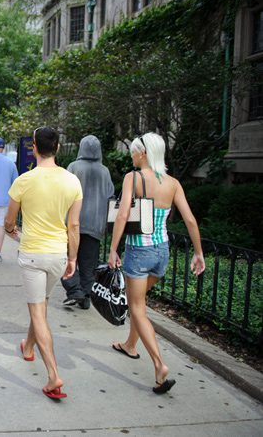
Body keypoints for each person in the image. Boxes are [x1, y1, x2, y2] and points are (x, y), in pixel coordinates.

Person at [108, 132, 205, 395]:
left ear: (143, 153)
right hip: (162, 252)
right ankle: (130, 344)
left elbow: (124, 213)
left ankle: (159, 365)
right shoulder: (172, 183)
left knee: (136, 307)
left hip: (139, 251)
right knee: (140, 303)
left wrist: (113, 248)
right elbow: (191, 220)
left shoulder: (134, 177)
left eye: (134, 151)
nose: (131, 155)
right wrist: (198, 253)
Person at [5, 126, 82, 401]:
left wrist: (13, 232)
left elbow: (9, 222)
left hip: (33, 254)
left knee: (39, 312)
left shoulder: (24, 181)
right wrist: (73, 257)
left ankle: (53, 374)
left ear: (34, 147)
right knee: (42, 302)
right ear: (58, 148)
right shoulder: (73, 181)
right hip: (58, 255)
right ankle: (28, 347)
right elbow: (73, 225)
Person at [62, 135, 115, 309]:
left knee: (66, 258)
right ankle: (84, 296)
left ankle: (75, 290)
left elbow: (64, 193)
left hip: (73, 222)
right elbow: (110, 198)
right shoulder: (104, 171)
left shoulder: (73, 167)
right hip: (95, 225)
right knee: (88, 263)